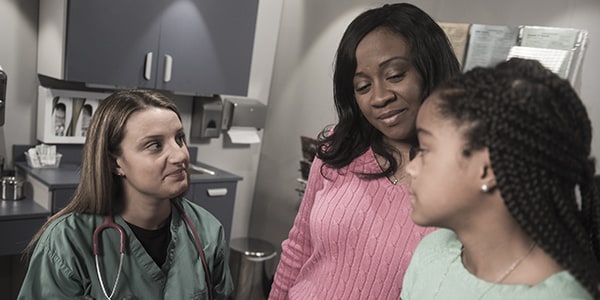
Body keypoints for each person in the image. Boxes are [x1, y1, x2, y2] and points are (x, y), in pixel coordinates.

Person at [269, 3, 460, 299]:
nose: (380, 97)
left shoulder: (467, 177)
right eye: (362, 86)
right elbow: (299, 245)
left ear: (430, 71)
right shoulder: (338, 147)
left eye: (395, 75)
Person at [402, 58, 600, 299]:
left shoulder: (558, 296)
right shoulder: (432, 252)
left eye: (425, 149)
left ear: (487, 169)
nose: (410, 168)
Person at [18, 90, 233, 299]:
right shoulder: (67, 243)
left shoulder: (207, 232)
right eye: (155, 145)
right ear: (115, 162)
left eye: (179, 138)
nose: (180, 155)